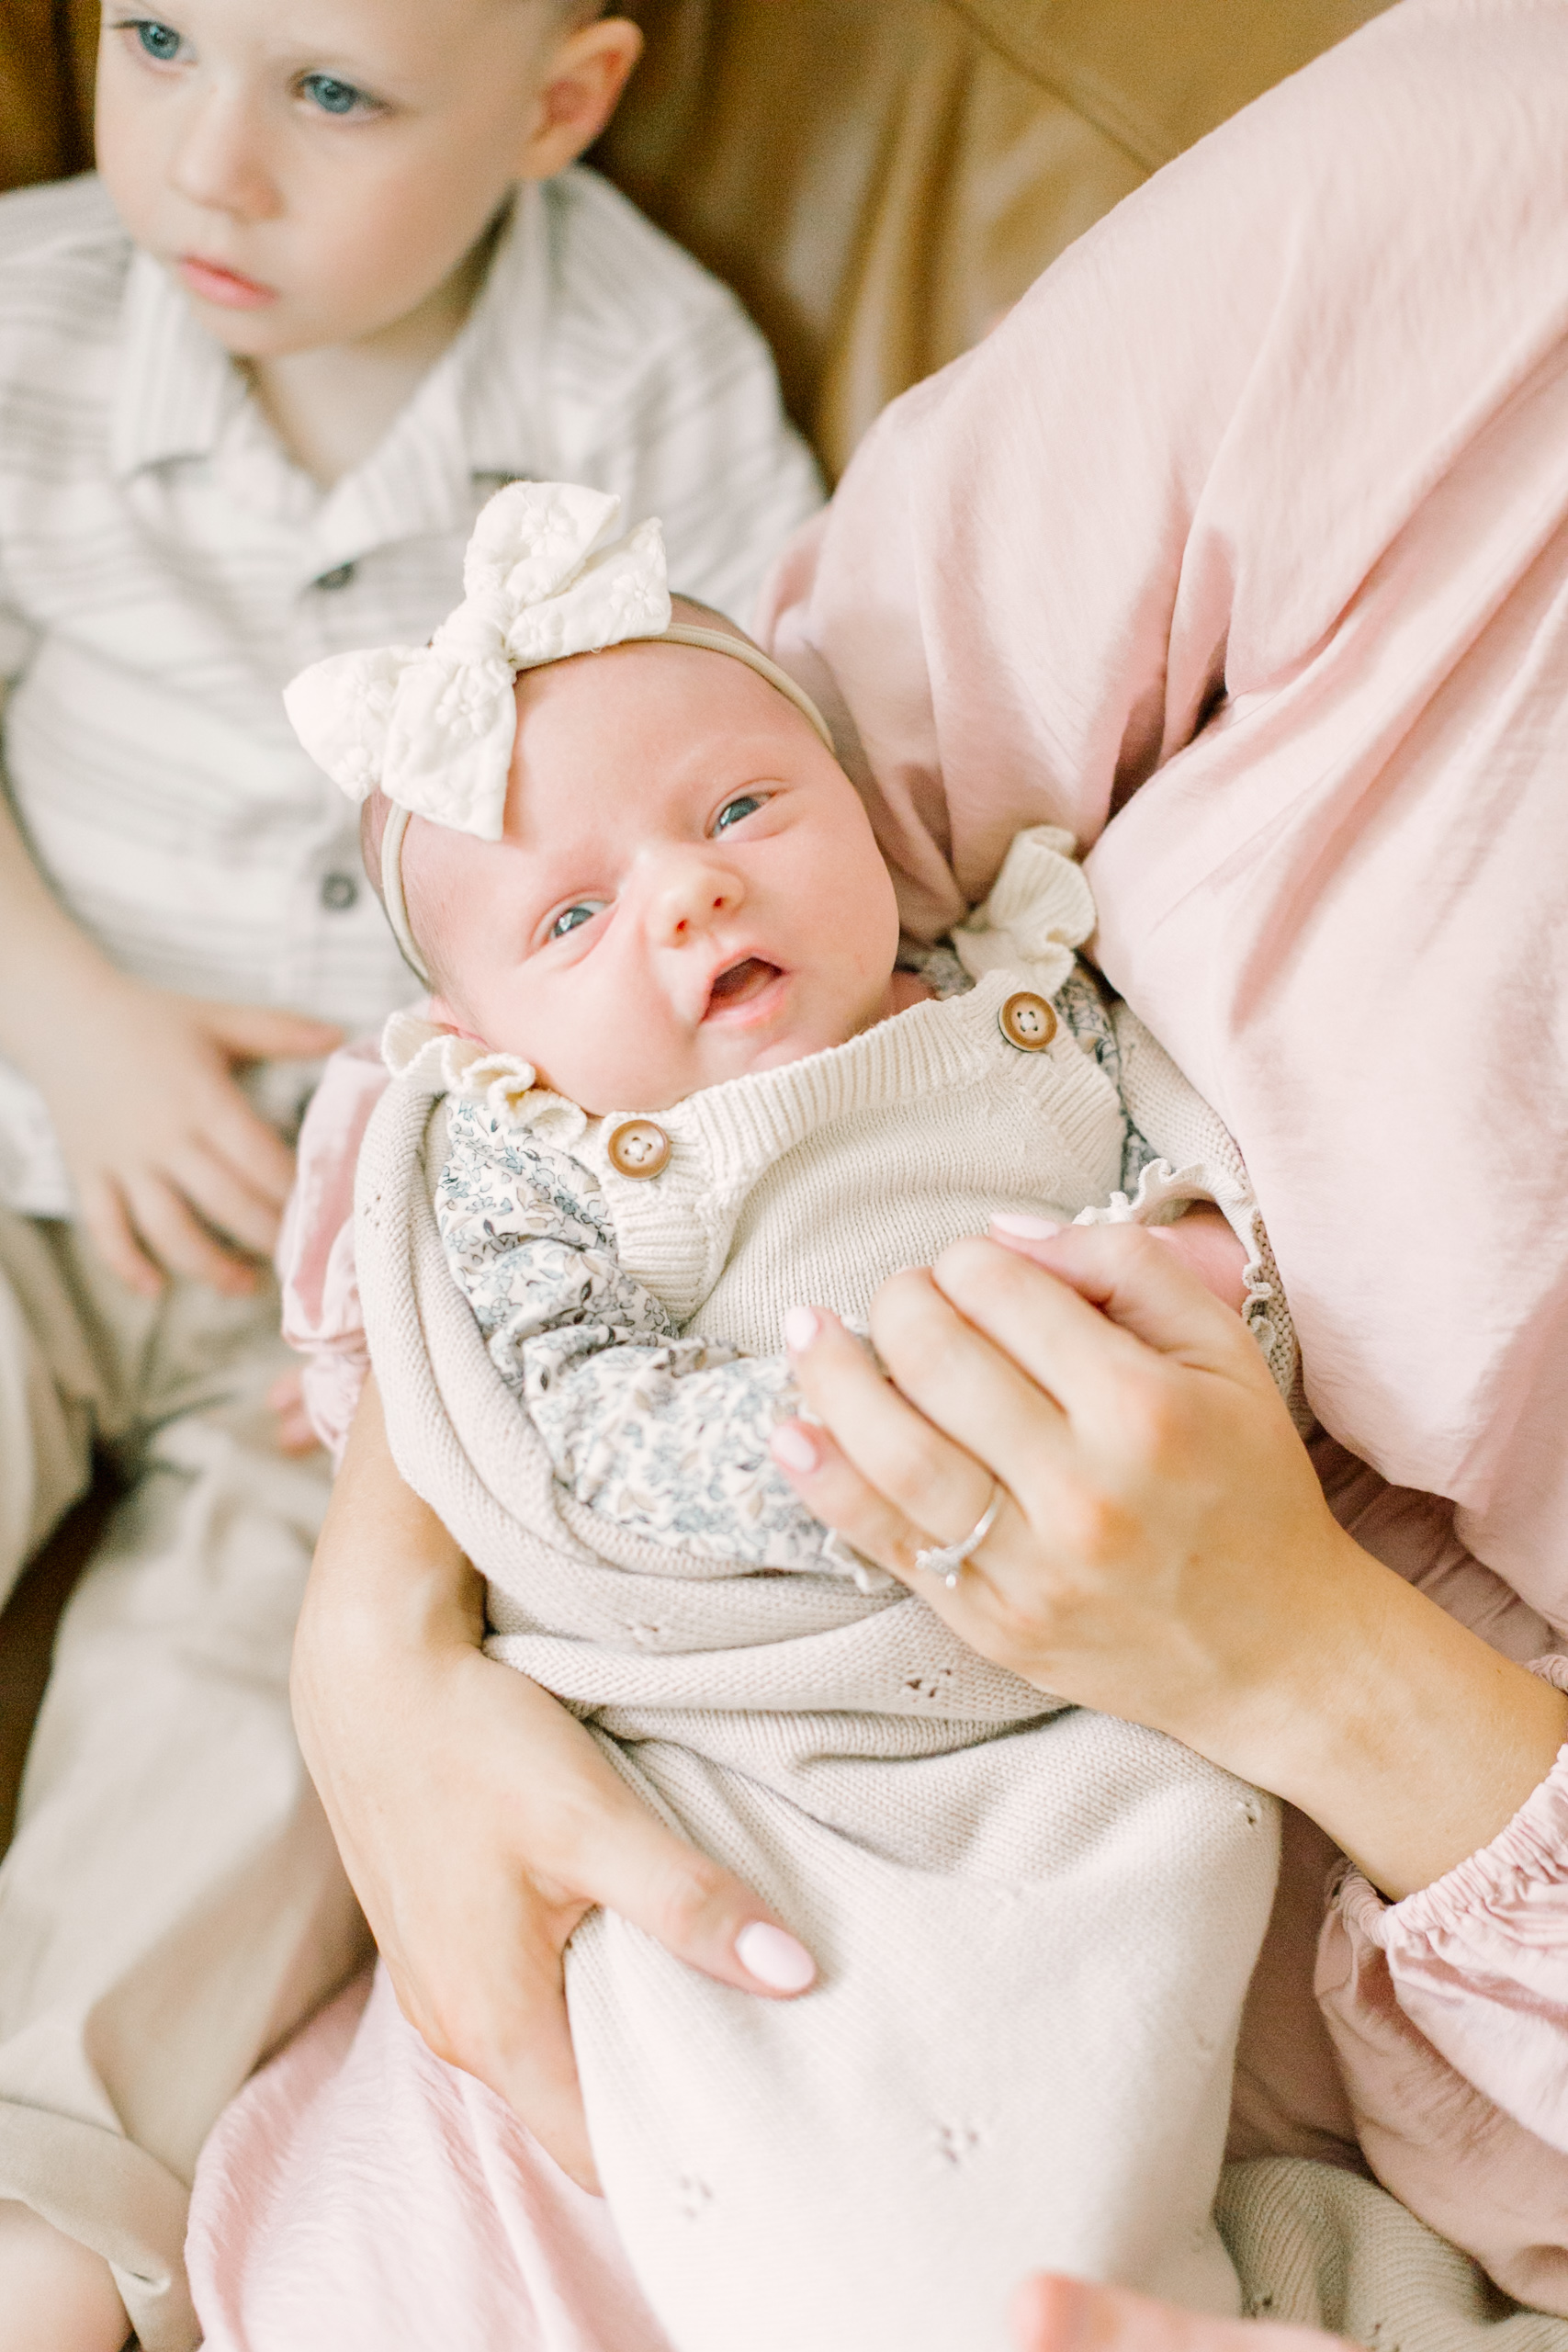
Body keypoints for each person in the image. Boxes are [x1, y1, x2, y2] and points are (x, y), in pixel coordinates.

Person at [215, 1, 1568, 2347]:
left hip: (1424, 1988)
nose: (700, 882)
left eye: (732, 843)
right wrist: (382, 1629)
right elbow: (605, 912)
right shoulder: (1493, 184)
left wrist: (1304, 1657)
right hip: (745, 1755)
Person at [186, 475, 1291, 2350]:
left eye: (737, 809)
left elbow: (1183, 1187)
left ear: (864, 814)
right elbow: (577, 1424)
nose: (688, 891)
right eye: (570, 914)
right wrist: (849, 1438)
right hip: (749, 1705)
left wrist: (1181, 1285)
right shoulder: (538, 1152)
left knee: (1083, 2037)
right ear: (479, 1043)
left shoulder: (1018, 1000)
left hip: (1066, 1688)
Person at [0, 5, 821, 2346]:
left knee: (257, 1681)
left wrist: (433, 1232)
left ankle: (50, 2200)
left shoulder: (642, 386)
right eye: (151, 38)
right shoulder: (34, 312)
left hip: (361, 1256)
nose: (210, 164)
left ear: (558, 104)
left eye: (330, 94)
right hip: (40, 1109)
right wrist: (68, 1013)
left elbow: (724, 837)